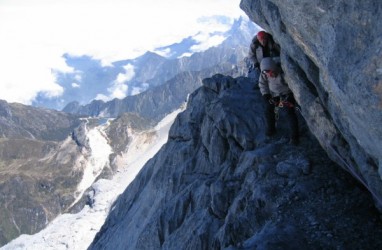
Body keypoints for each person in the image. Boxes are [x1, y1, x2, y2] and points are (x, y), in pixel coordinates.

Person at [258, 57, 299, 145]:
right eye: (266, 72)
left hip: (287, 95)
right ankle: (271, 129)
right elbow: (262, 84)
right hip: (275, 95)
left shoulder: (283, 72)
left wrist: (290, 96)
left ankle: (295, 136)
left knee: (288, 112)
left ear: (273, 68)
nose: (268, 74)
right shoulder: (264, 74)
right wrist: (266, 95)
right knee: (268, 108)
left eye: (269, 72)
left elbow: (293, 84)